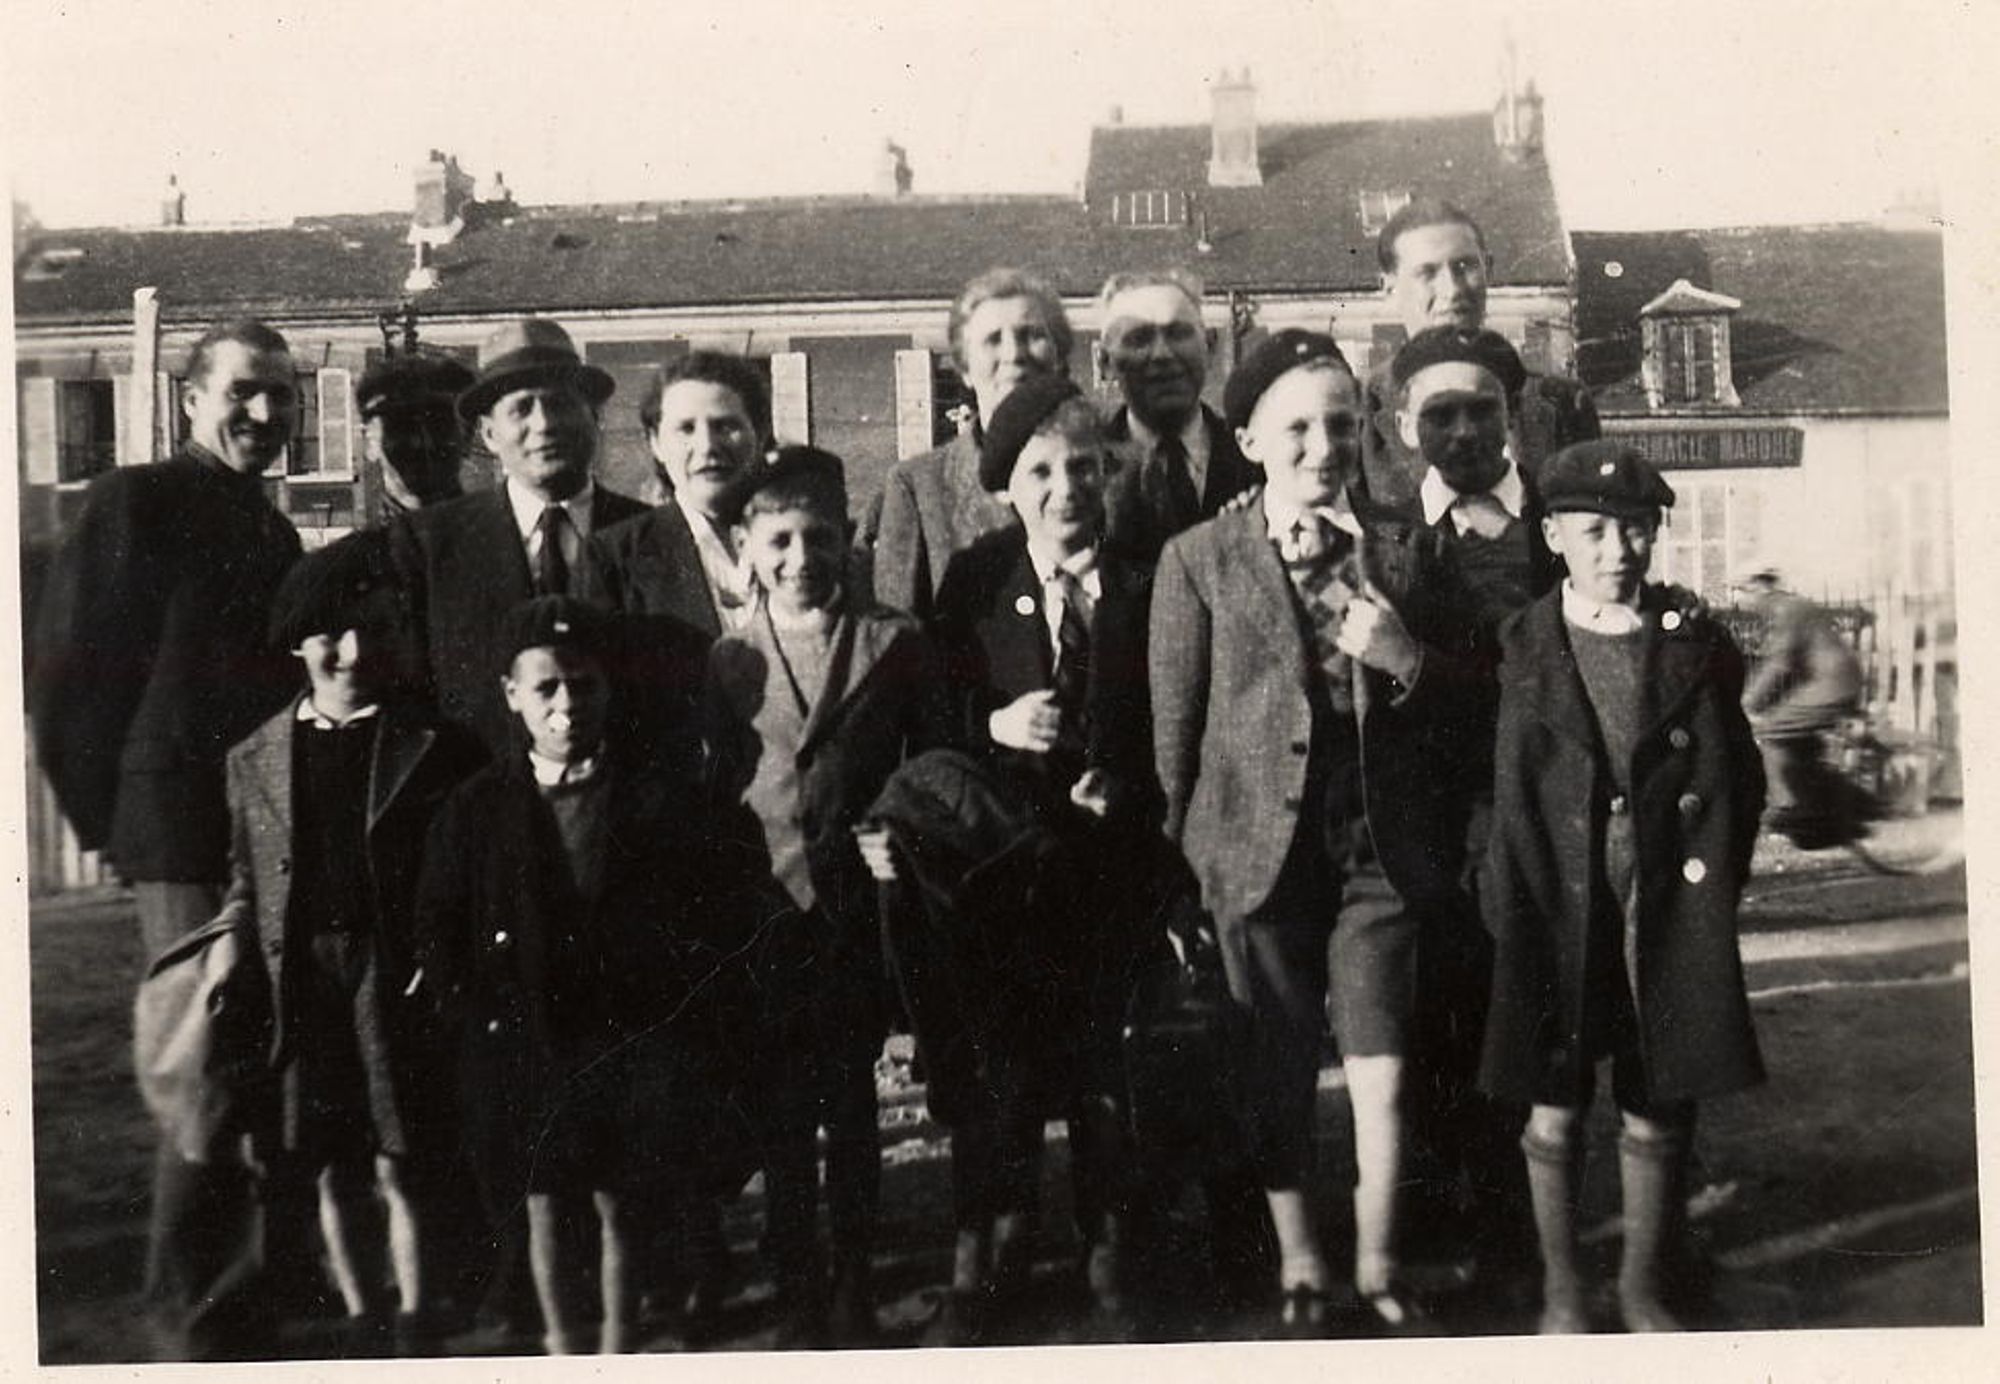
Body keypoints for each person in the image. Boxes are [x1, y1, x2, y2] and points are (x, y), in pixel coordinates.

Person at [1151, 330, 1471, 1336]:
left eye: (1339, 422)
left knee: (1381, 1075)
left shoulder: (1408, 552)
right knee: (1272, 1066)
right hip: (1253, 857)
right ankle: (1298, 1262)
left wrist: (1401, 652)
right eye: (1294, 426)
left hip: (1375, 853)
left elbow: (1463, 710)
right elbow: (1176, 733)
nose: (1320, 445)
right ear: (1247, 438)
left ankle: (1375, 1263)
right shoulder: (1198, 558)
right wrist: (1188, 876)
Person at [29, 316, 303, 1359]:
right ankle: (193, 1313)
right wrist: (119, 824)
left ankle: (249, 1292)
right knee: (206, 1059)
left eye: (281, 394)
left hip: (261, 829)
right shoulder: (137, 502)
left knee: (254, 1055)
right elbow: (65, 680)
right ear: (191, 398)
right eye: (243, 392)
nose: (267, 414)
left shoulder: (266, 525)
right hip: (180, 832)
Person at [892, 375, 1159, 1344]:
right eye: (1040, 472)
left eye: (1082, 468)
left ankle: (1108, 1243)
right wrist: (994, 721)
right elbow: (928, 717)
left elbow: (1179, 711)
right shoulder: (973, 580)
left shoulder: (1149, 576)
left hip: (1115, 866)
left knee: (1103, 1057)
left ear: (1109, 472)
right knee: (995, 1056)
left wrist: (1124, 782)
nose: (1065, 490)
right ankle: (990, 1246)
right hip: (1003, 870)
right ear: (1008, 485)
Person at [1479, 441, 1765, 1334]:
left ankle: (1644, 1282)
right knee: (1554, 1100)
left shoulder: (1692, 642)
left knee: (1657, 1093)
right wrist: (1501, 884)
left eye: (1636, 531)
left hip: (1661, 904)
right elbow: (1499, 782)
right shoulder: (1523, 644)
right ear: (1555, 535)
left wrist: (1712, 881)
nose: (1618, 552)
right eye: (1595, 532)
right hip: (1559, 905)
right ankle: (1565, 1286)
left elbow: (1739, 776)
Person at [412, 596, 724, 1354]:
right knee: (546, 1202)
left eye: (582, 685)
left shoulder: (653, 797)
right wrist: (471, 1012)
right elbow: (439, 926)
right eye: (546, 688)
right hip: (526, 1040)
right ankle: (562, 1344)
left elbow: (697, 915)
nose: (566, 705)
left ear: (609, 688)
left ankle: (618, 1346)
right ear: (511, 695)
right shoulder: (479, 807)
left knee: (623, 1201)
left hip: (626, 1037)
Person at [702, 448, 953, 1346]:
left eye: (819, 537)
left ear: (849, 541)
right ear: (746, 544)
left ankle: (851, 1269)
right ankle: (794, 1275)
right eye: (779, 539)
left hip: (855, 905)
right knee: (779, 1105)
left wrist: (904, 828)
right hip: (769, 906)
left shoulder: (895, 640)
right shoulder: (728, 655)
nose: (800, 556)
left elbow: (931, 762)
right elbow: (717, 783)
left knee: (850, 1101)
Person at [215, 533, 482, 1354]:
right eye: (331, 634)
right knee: (331, 1159)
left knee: (404, 1153)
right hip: (302, 978)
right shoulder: (255, 754)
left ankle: (417, 1314)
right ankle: (365, 1310)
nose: (353, 652)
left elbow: (462, 877)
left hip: (392, 973)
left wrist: (437, 963)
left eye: (374, 629)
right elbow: (246, 873)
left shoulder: (434, 745)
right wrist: (231, 941)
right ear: (297, 641)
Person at [1385, 323, 1556, 1288]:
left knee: (1516, 1011)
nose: (1462, 433)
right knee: (1424, 1012)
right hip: (1415, 816)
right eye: (1439, 414)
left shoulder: (1558, 537)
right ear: (1405, 425)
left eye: (1481, 411)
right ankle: (1429, 1206)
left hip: (1522, 809)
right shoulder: (1384, 534)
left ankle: (1508, 1219)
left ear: (1514, 419)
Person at [386, 317, 646, 757]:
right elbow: (411, 699)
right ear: (489, 434)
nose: (544, 425)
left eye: (561, 403)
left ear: (595, 418)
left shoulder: (648, 535)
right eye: (521, 408)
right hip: (481, 801)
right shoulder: (428, 543)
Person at [866, 267, 1073, 621]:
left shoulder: (1112, 471)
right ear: (963, 368)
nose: (1014, 354)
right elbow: (895, 632)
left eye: (1032, 335)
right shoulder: (919, 488)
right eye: (993, 339)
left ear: (1060, 356)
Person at [1364, 199, 1599, 508]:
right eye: (1427, 273)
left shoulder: (1564, 404)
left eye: (1465, 266)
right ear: (1389, 288)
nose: (1453, 288)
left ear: (1488, 269)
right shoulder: (1359, 413)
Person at [589, 351, 772, 637]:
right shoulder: (614, 557)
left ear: (760, 434)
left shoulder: (807, 539)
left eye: (726, 426)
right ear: (656, 444)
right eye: (686, 429)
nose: (708, 445)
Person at [1097, 268, 1260, 568]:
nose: (1162, 354)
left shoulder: (1257, 459)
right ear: (1105, 362)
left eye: (1178, 334)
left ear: (1210, 346)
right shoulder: (1086, 470)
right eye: (1139, 338)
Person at [1731, 563, 1864, 832]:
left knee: (1771, 729)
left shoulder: (1787, 610)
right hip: (1835, 681)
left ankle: (1790, 806)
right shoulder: (1790, 607)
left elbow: (1779, 664)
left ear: (1760, 586)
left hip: (1832, 684)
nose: (1741, 599)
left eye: (1743, 590)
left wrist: (1748, 702)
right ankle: (1824, 805)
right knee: (1798, 739)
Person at [357, 352, 477, 518]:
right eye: (402, 427)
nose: (424, 442)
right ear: (369, 443)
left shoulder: (506, 539)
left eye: (438, 425)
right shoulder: (362, 545)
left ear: (467, 437)